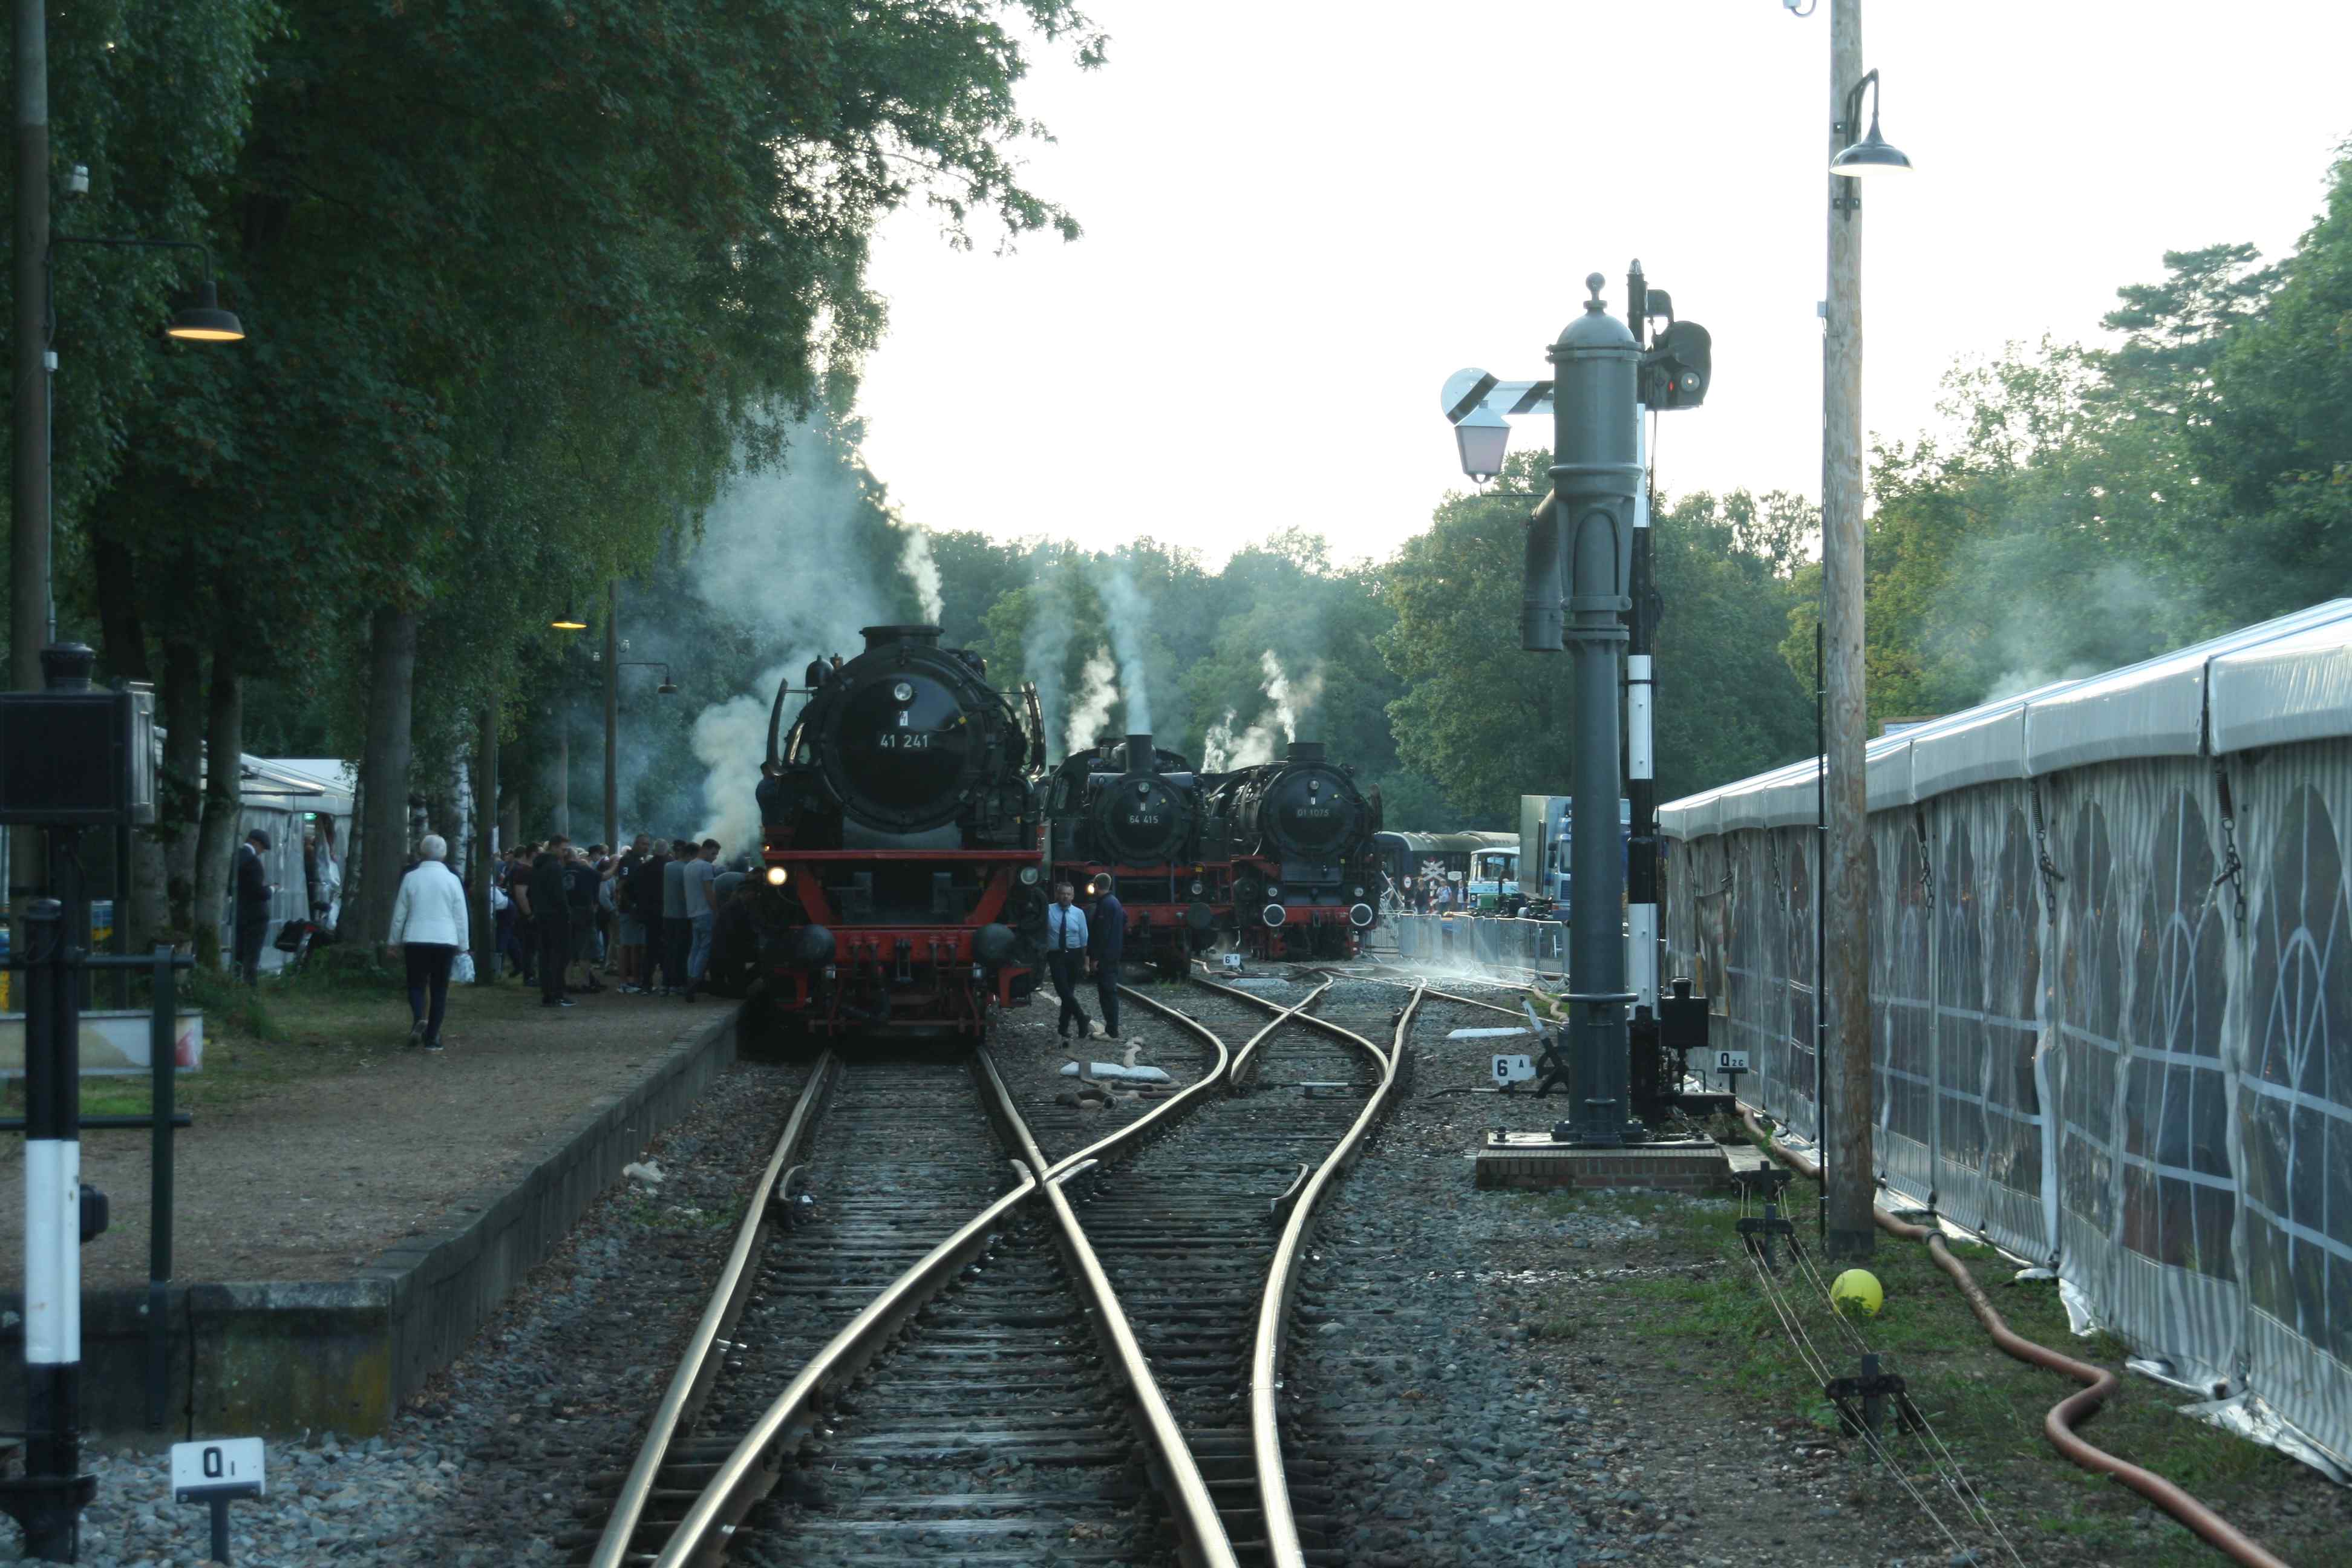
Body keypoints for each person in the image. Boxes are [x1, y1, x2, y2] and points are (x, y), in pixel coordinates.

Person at [387, 835, 469, 1051]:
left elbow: (399, 913)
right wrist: (464, 945)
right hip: (445, 939)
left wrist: (393, 942)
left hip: (416, 938)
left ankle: (418, 1019)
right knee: (440, 989)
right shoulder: (452, 879)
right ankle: (433, 1037)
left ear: (421, 853)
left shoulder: (411, 878)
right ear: (444, 854)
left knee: (416, 984)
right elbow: (461, 915)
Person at [528, 835, 573, 1007]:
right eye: (563, 849)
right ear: (554, 847)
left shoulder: (537, 866)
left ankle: (548, 993)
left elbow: (531, 892)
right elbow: (559, 895)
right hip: (556, 917)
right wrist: (566, 912)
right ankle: (557, 993)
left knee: (545, 956)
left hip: (542, 914)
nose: (566, 852)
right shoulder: (554, 867)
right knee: (560, 956)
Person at [1045, 881, 1091, 1039]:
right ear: (1057, 895)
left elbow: (1084, 939)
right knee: (1062, 990)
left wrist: (1086, 963)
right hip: (1056, 954)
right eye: (1063, 893)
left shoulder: (1079, 913)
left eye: (1068, 894)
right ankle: (1081, 1017)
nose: (1065, 897)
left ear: (1073, 896)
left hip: (1074, 954)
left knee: (1069, 991)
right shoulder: (1048, 910)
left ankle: (1063, 1027)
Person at [232, 828, 275, 985]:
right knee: (252, 953)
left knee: (238, 951)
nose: (262, 852)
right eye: (262, 849)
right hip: (256, 915)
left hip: (239, 912)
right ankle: (250, 985)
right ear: (255, 843)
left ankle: (235, 981)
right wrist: (272, 889)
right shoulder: (253, 862)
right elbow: (258, 892)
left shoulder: (235, 857)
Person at [681, 838, 722, 1002]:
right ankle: (695, 981)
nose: (715, 857)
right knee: (705, 948)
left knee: (695, 948)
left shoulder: (688, 866)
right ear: (705, 850)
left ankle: (690, 977)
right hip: (706, 912)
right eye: (714, 853)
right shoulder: (706, 868)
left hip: (693, 912)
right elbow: (709, 892)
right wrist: (717, 911)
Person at [562, 844, 604, 994]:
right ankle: (585, 983)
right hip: (584, 913)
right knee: (585, 950)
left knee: (569, 950)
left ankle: (568, 983)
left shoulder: (560, 871)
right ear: (575, 857)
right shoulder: (584, 870)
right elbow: (603, 877)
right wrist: (615, 865)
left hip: (566, 913)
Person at [631, 838, 672, 993]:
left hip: (648, 914)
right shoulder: (669, 868)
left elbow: (632, 889)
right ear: (667, 852)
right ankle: (668, 982)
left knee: (650, 949)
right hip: (667, 912)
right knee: (668, 947)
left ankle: (646, 983)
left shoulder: (643, 868)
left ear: (654, 851)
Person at [1088, 878, 1125, 1039]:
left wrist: (1095, 958)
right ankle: (1112, 1029)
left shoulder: (1105, 904)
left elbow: (1101, 935)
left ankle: (1111, 1032)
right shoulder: (1114, 902)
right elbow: (1125, 918)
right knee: (1109, 991)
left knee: (1107, 992)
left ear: (1096, 886)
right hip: (1113, 952)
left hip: (1106, 955)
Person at [661, 833, 693, 1001]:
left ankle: (666, 983)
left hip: (668, 914)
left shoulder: (668, 867)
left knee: (669, 950)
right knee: (682, 951)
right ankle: (678, 983)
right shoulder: (686, 869)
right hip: (683, 915)